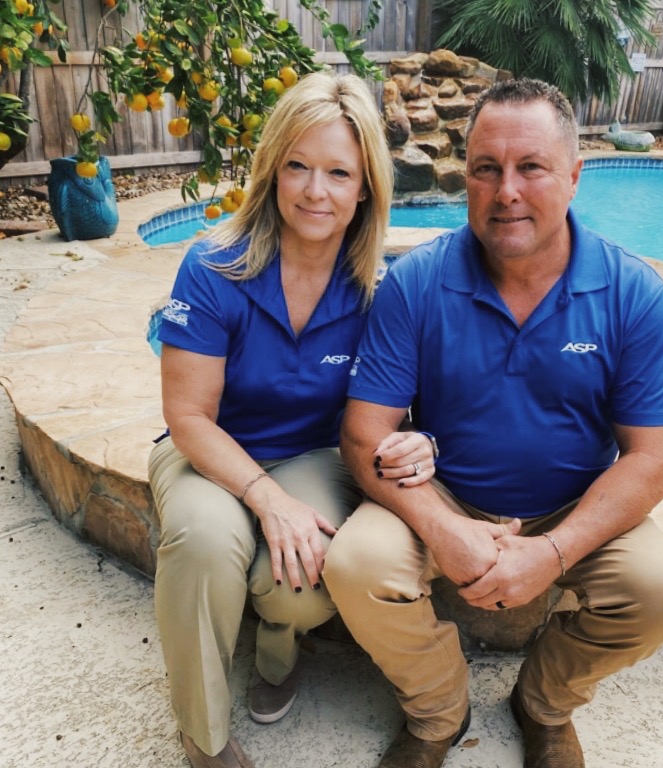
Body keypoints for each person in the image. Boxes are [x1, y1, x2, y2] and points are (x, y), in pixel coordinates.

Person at [324, 77, 663, 768]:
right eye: (486, 169)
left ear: (575, 176)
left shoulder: (629, 291)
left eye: (531, 167)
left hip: (570, 507)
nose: (507, 193)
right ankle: (438, 711)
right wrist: (449, 529)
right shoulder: (418, 281)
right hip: (444, 498)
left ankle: (544, 704)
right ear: (464, 176)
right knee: (356, 565)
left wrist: (553, 553)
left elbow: (651, 461)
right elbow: (362, 434)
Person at [148, 72, 437, 768]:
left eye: (339, 173)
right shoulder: (213, 266)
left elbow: (408, 406)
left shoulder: (378, 289)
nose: (315, 191)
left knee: (302, 575)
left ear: (366, 185)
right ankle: (204, 738)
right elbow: (188, 415)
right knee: (203, 540)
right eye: (299, 167)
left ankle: (278, 652)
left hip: (314, 455)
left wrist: (424, 440)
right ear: (273, 168)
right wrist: (265, 498)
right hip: (209, 448)